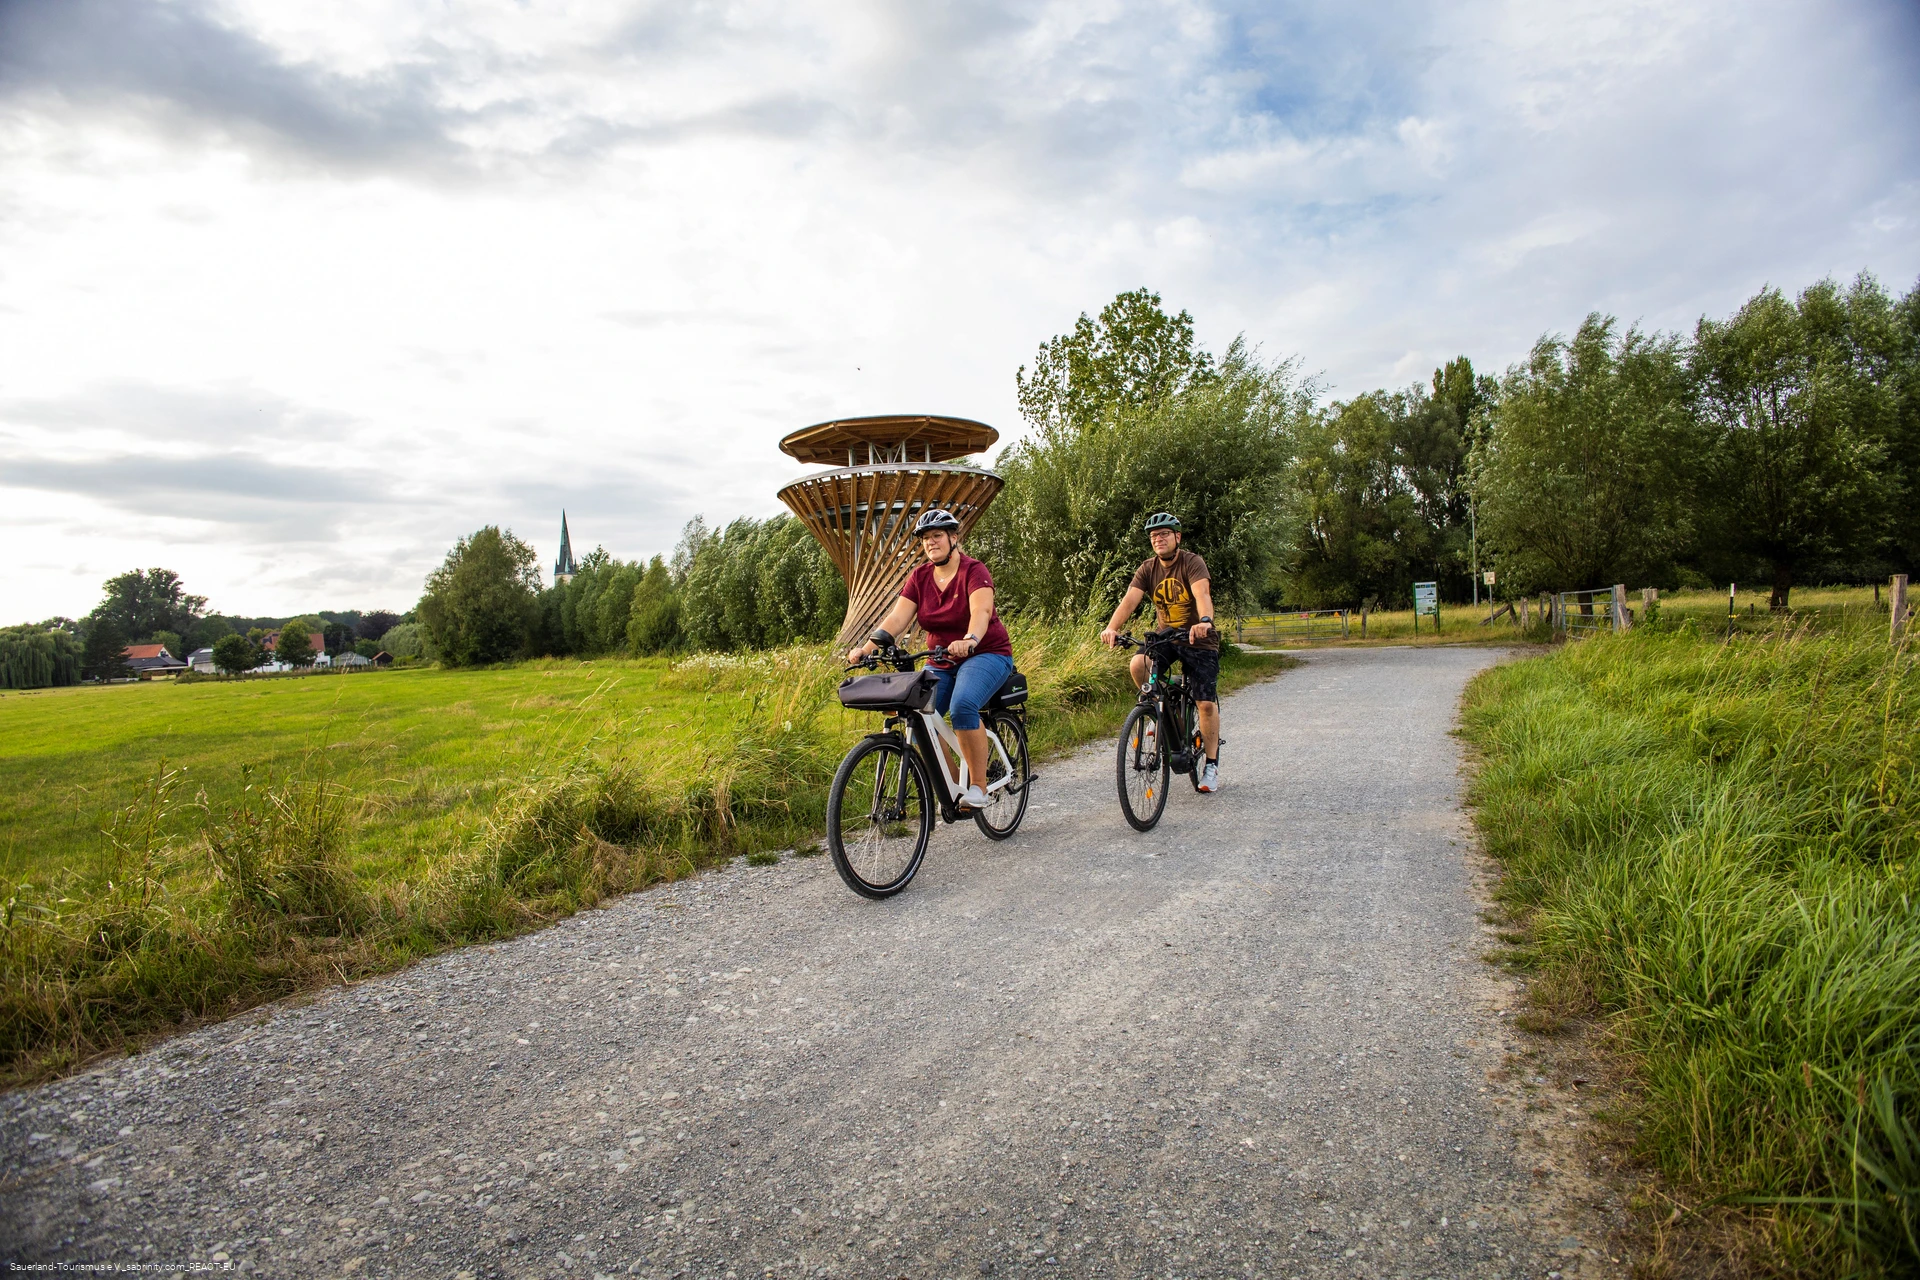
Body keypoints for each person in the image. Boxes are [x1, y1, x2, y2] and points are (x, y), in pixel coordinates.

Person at [847, 509, 1015, 809]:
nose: (931, 542)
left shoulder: (974, 570)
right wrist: (866, 648)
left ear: (953, 538)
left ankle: (978, 786)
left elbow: (981, 612)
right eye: (925, 538)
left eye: (937, 535)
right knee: (920, 713)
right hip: (940, 657)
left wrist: (970, 639)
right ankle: (953, 788)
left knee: (963, 705)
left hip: (986, 652)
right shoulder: (920, 577)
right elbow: (897, 618)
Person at [1100, 512, 1222, 792]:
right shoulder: (1147, 568)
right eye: (1154, 536)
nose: (1159, 539)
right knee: (1138, 664)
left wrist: (1204, 622)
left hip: (1198, 638)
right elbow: (1130, 599)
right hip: (1168, 636)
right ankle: (1160, 708)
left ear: (1177, 537)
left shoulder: (1192, 562)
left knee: (1204, 702)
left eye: (1164, 534)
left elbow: (1202, 594)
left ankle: (1211, 766)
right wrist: (1112, 628)